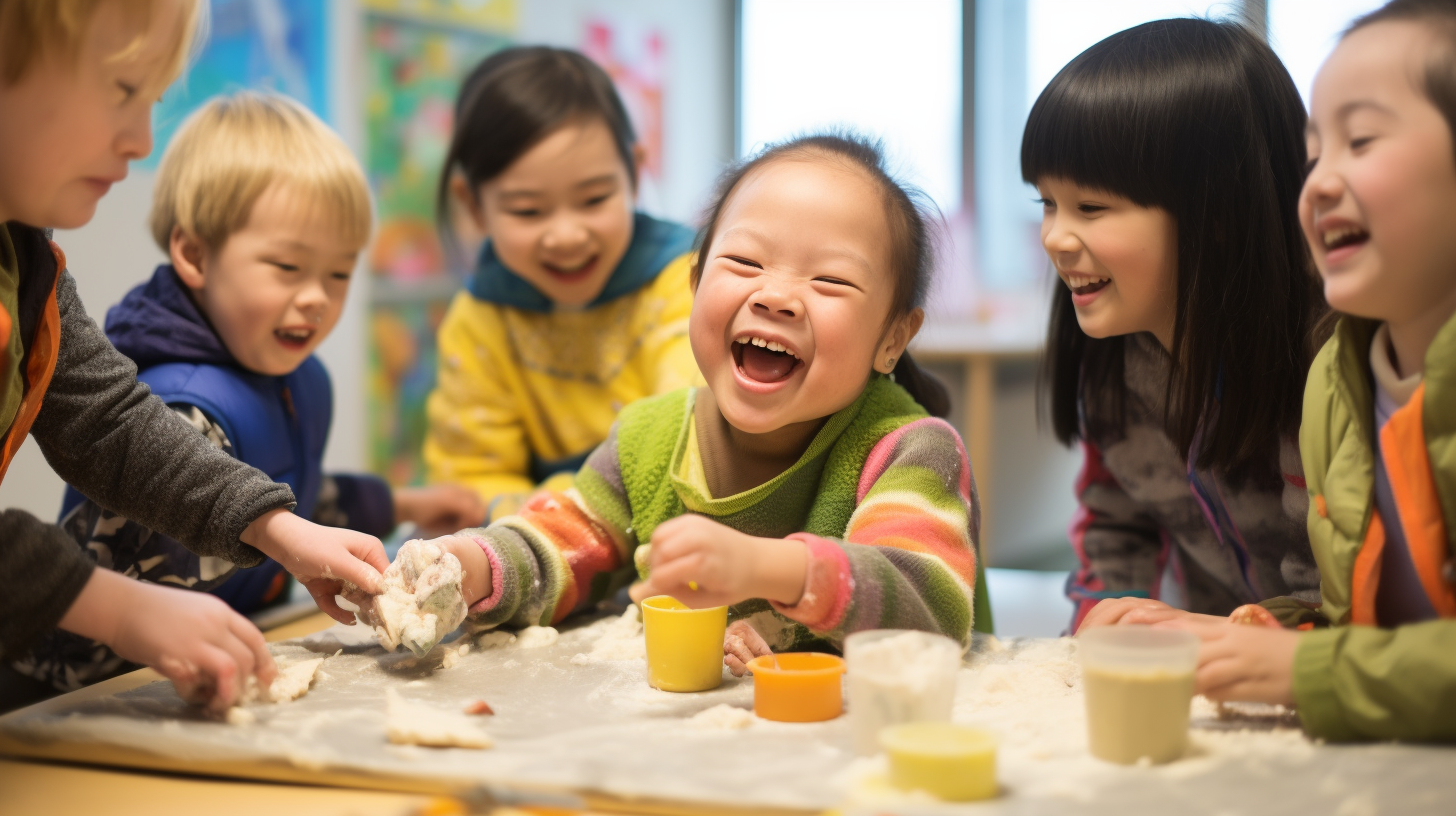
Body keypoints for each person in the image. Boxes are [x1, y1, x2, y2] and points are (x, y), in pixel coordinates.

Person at [403, 133, 990, 673]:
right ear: (694, 284)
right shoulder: (647, 440)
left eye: (830, 280)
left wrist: (767, 570)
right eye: (745, 262)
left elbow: (928, 603)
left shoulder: (911, 450)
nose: (777, 296)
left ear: (891, 338)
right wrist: (470, 564)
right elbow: (559, 546)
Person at [12, 92, 486, 693]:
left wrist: (402, 506)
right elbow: (105, 606)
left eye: (339, 274)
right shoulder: (184, 409)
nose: (316, 295)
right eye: (288, 267)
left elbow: (295, 499)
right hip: (94, 692)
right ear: (194, 254)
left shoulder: (294, 378)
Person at [0, 0, 387, 714]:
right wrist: (123, 611)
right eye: (122, 90)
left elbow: (108, 423)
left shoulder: (24, 255)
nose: (144, 141)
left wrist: (280, 530)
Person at [1170, 0, 1456, 742]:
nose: (1320, 183)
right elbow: (1374, 623)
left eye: (1360, 140)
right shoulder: (1335, 375)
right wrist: (1274, 635)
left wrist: (1308, 672)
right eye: (1313, 155)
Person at [1022, 18, 1328, 632]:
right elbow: (1114, 524)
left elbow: (1334, 594)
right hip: (1203, 669)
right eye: (1047, 203)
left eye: (1091, 207)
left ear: (1217, 213)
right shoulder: (1114, 360)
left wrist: (1242, 637)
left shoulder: (1320, 362)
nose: (1055, 237)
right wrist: (1098, 626)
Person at [425, 47, 700, 521]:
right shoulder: (480, 319)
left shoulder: (685, 280)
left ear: (634, 175)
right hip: (549, 550)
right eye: (528, 211)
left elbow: (688, 430)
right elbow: (468, 477)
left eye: (594, 199)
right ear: (472, 204)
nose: (568, 236)